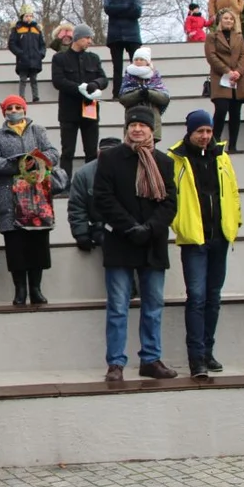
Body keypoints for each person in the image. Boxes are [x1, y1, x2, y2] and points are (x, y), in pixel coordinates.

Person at [94, 105, 178, 381]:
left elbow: (169, 203)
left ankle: (151, 359)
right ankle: (115, 363)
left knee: (153, 305)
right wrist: (130, 226)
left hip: (152, 243)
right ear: (126, 128)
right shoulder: (110, 158)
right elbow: (103, 198)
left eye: (143, 125)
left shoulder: (165, 162)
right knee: (118, 306)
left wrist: (150, 228)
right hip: (121, 241)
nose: (137, 129)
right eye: (133, 125)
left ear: (152, 129)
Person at [168, 110, 240, 378]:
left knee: (213, 298)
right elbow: (170, 196)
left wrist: (235, 222)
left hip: (220, 237)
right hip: (194, 239)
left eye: (208, 131)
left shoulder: (222, 156)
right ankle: (196, 357)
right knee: (196, 297)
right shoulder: (176, 158)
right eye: (200, 131)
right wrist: (179, 224)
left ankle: (208, 351)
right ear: (190, 132)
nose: (205, 136)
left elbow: (232, 192)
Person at [0, 95, 60, 305]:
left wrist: (33, 162)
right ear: (4, 112)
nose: (14, 110)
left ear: (25, 110)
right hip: (10, 197)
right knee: (15, 247)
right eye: (10, 108)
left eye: (18, 107)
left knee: (38, 245)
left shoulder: (39, 130)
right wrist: (17, 165)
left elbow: (53, 153)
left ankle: (36, 288)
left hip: (37, 197)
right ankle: (20, 290)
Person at [52, 23, 108, 176]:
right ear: (77, 38)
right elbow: (58, 81)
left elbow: (103, 78)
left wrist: (94, 85)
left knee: (91, 151)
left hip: (90, 110)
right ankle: (64, 183)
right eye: (87, 38)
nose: (90, 41)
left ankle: (90, 182)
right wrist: (78, 88)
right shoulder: (60, 58)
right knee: (67, 151)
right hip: (68, 112)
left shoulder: (93, 58)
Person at [205, 8, 244, 152]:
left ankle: (233, 145)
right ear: (220, 20)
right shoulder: (212, 37)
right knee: (221, 109)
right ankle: (215, 141)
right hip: (220, 78)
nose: (229, 21)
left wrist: (238, 71)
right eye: (226, 18)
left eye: (231, 19)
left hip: (237, 79)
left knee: (235, 113)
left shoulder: (239, 37)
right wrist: (227, 71)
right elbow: (211, 56)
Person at [67, 137, 120, 252]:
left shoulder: (133, 170)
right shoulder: (84, 174)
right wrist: (81, 234)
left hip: (127, 228)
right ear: (98, 153)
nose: (108, 156)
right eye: (104, 152)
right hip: (100, 229)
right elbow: (76, 206)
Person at [103, 0, 143, 96]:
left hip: (133, 36)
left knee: (137, 64)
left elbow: (137, 11)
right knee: (117, 67)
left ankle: (137, 90)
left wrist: (118, 10)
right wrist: (127, 8)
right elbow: (108, 9)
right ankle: (117, 93)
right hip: (115, 36)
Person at [118, 46, 170, 142]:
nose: (138, 61)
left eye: (141, 59)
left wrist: (149, 93)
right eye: (136, 59)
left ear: (147, 61)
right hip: (133, 119)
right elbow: (123, 99)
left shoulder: (155, 77)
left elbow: (164, 98)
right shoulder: (128, 77)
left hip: (153, 121)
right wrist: (139, 94)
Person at [7, 5, 46, 102]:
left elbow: (42, 44)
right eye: (26, 16)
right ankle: (21, 96)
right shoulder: (17, 29)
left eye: (30, 16)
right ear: (22, 17)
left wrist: (40, 54)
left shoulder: (37, 29)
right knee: (23, 79)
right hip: (23, 59)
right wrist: (20, 53)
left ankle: (36, 96)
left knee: (34, 79)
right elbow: (12, 44)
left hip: (35, 59)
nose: (28, 18)